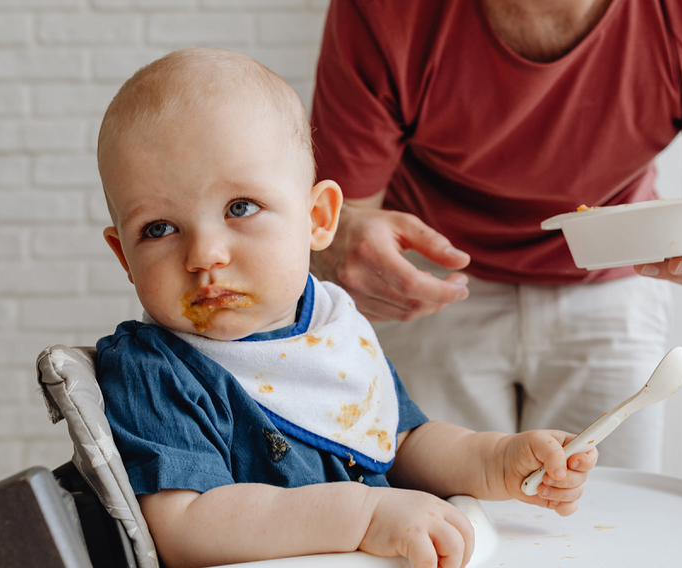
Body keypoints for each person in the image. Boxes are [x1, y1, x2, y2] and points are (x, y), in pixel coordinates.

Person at [93, 48, 597, 568]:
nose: (204, 255)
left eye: (239, 208)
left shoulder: (332, 328)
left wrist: (494, 461)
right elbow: (187, 526)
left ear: (317, 218)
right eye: (158, 229)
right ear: (123, 256)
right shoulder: (152, 369)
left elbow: (401, 442)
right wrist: (363, 514)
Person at [309, 0, 682, 471]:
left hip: (612, 275)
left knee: (611, 519)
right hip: (433, 274)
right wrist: (334, 244)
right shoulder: (382, 10)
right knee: (440, 521)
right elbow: (343, 215)